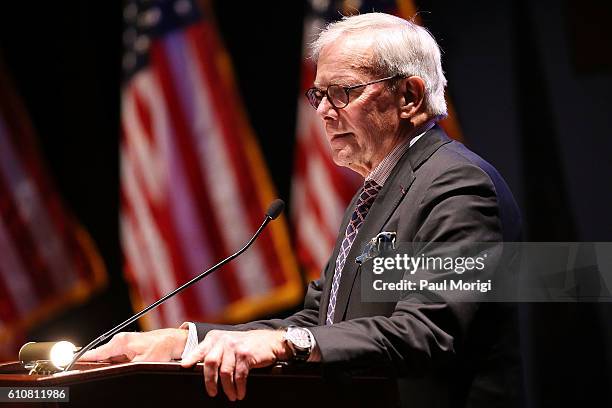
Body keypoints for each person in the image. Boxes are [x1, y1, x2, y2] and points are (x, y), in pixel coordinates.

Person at [82, 12, 523, 407]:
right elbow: (321, 320)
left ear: (409, 96)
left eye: (343, 92)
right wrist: (186, 341)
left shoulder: (459, 186)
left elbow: (428, 330)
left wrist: (289, 343)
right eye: (319, 96)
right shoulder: (378, 193)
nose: (325, 113)